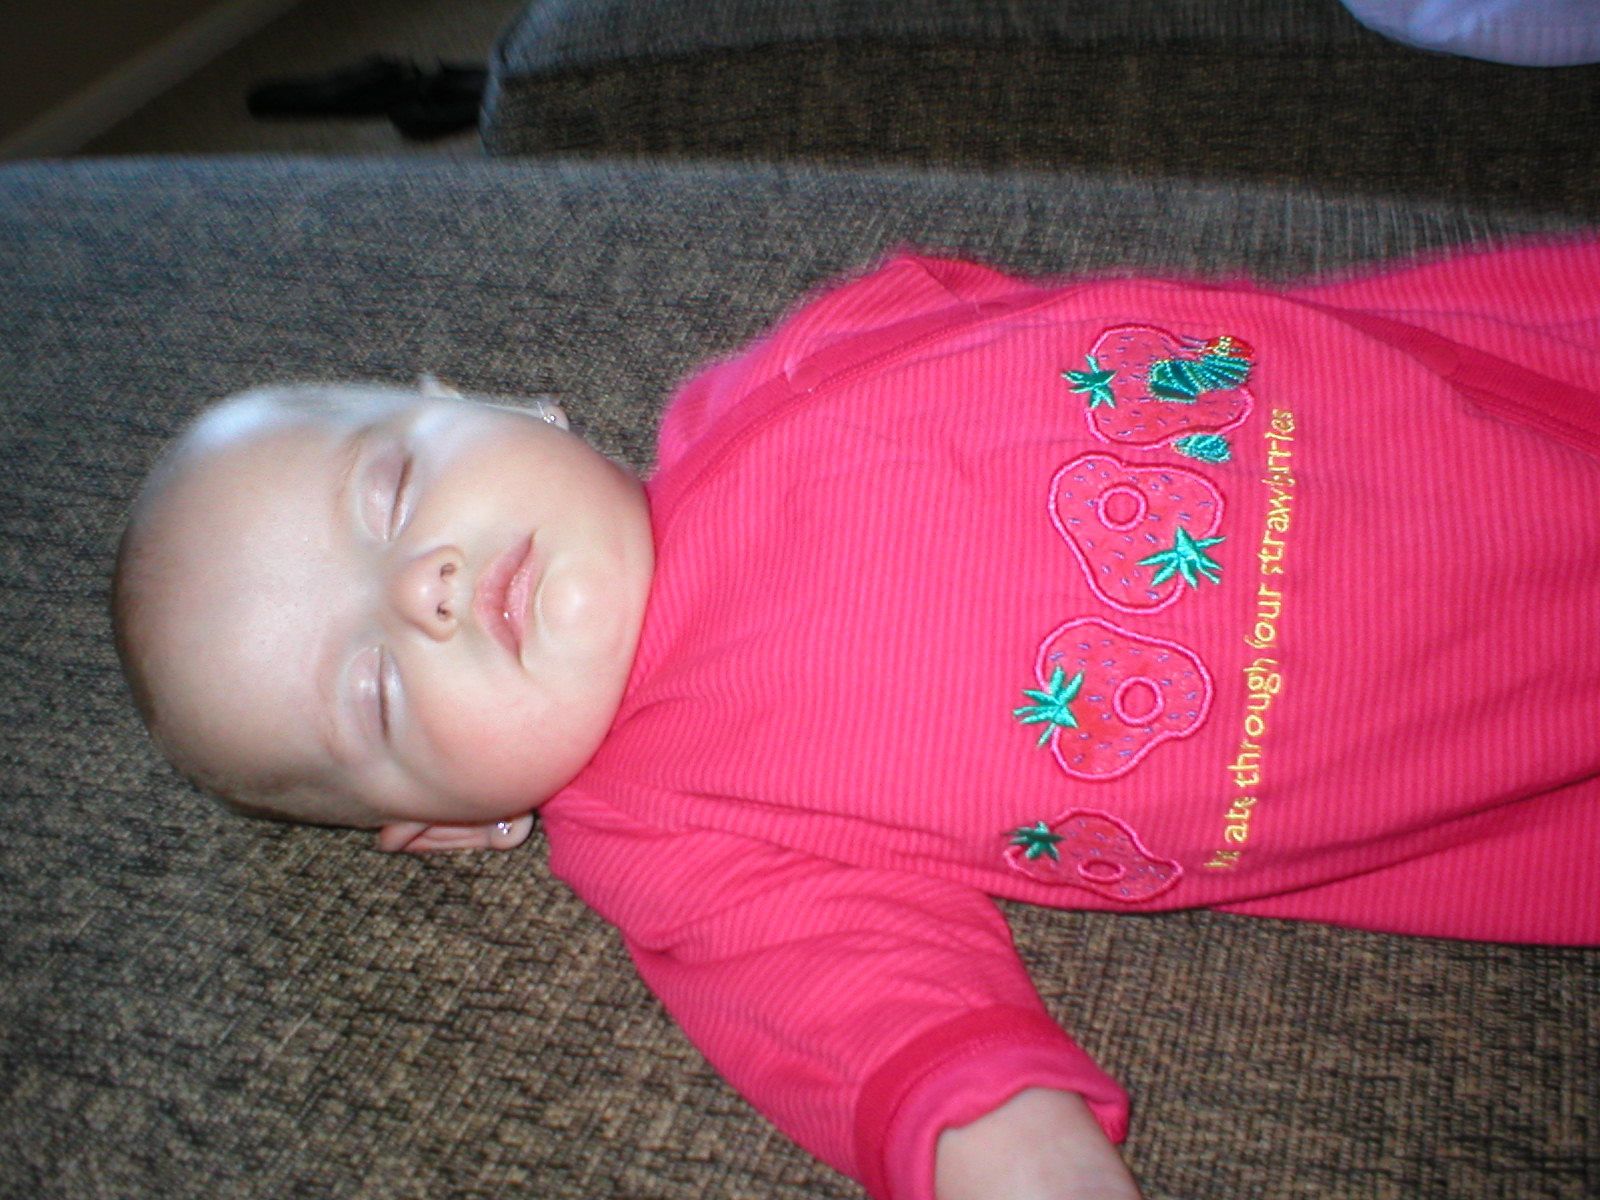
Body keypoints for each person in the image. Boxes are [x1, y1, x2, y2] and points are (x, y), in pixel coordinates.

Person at [114, 238, 1600, 1200]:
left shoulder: (783, 374)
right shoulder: (671, 838)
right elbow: (901, 1035)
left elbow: (1017, 310)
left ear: (505, 403)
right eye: (377, 689)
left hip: (1512, 378)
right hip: (1520, 759)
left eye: (391, 491)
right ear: (455, 827)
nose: (424, 588)